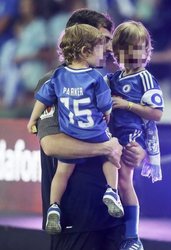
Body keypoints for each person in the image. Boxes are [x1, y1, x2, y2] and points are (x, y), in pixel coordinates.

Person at [34, 9, 146, 250]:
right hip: (75, 220)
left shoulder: (112, 84)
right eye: (103, 40)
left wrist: (138, 152)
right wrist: (103, 147)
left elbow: (126, 136)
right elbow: (52, 145)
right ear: (82, 42)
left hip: (115, 222)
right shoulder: (53, 82)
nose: (109, 48)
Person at [28, 23, 124, 234]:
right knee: (111, 155)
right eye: (100, 48)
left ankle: (54, 207)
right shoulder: (96, 78)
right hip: (95, 132)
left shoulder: (58, 77)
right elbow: (105, 107)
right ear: (85, 51)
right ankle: (112, 191)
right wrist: (107, 113)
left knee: (62, 173)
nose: (105, 53)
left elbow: (42, 99)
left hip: (70, 133)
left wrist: (32, 120)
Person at [107, 20, 164, 250]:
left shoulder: (146, 79)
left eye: (141, 48)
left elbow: (157, 114)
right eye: (129, 48)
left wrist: (127, 105)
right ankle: (116, 230)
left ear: (148, 50)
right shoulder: (114, 78)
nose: (135, 53)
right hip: (111, 136)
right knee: (110, 181)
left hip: (132, 137)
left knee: (123, 180)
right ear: (117, 51)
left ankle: (133, 237)